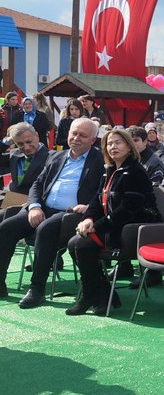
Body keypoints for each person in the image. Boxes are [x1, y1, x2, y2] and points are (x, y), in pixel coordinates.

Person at [0, 118, 105, 306]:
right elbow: (37, 185)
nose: (76, 138)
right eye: (74, 133)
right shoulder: (57, 156)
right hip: (42, 208)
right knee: (6, 228)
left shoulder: (100, 161)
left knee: (45, 229)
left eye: (83, 135)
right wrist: (34, 207)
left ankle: (37, 288)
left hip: (72, 214)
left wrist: (89, 206)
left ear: (93, 139)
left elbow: (103, 191)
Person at [66, 128, 160, 315]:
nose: (113, 147)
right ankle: (103, 294)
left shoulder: (135, 172)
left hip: (133, 230)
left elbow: (128, 210)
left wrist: (96, 226)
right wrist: (89, 218)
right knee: (73, 243)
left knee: (81, 244)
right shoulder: (110, 170)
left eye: (118, 142)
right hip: (113, 225)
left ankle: (92, 294)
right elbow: (96, 199)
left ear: (128, 146)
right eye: (109, 143)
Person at [3, 123, 49, 198]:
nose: (26, 148)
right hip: (12, 200)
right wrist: (6, 142)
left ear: (37, 135)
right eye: (20, 144)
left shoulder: (51, 157)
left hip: (36, 204)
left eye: (29, 142)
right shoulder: (14, 154)